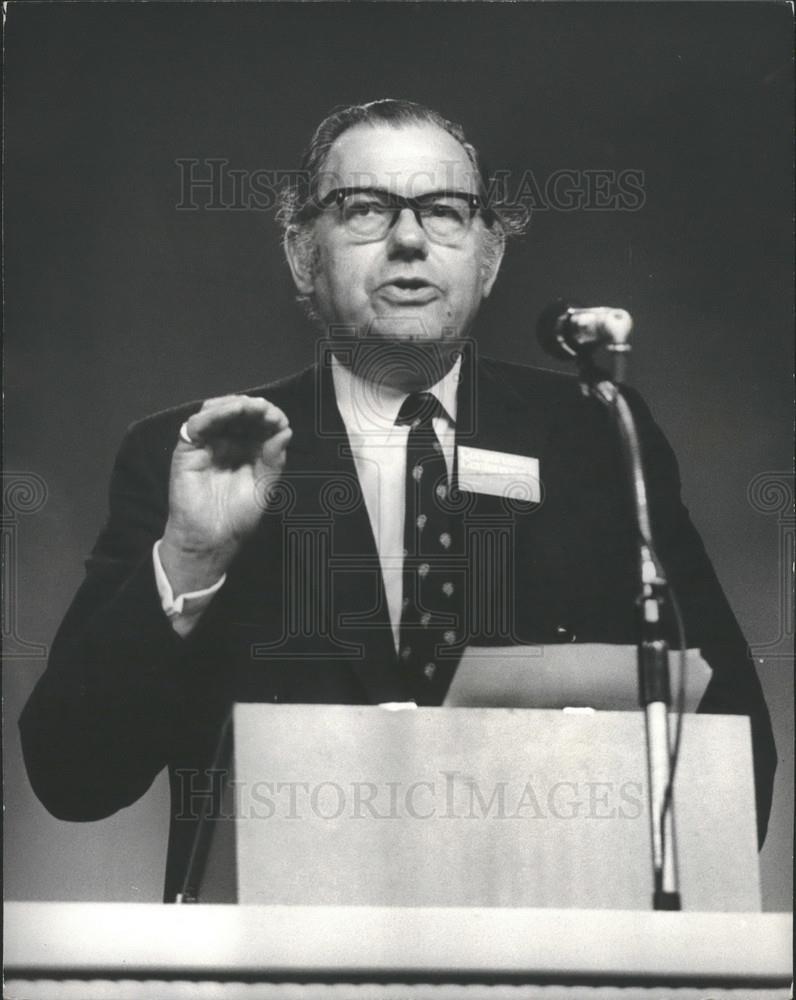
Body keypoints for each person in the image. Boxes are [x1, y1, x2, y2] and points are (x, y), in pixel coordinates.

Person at [20, 99, 776, 902]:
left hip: (543, 958)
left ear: (488, 259)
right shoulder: (196, 452)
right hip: (278, 968)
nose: (409, 239)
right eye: (367, 209)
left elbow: (735, 751)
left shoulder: (597, 439)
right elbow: (74, 776)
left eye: (445, 211)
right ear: (302, 254)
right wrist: (191, 560)